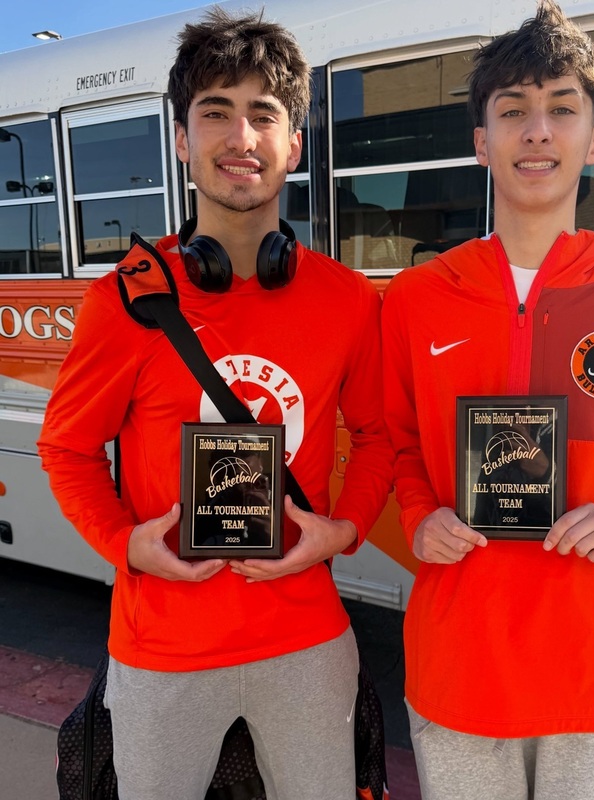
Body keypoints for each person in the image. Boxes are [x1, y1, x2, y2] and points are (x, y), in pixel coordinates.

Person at [38, 8, 393, 800]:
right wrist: (127, 545)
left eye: (264, 115)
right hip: (161, 648)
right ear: (181, 139)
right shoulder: (125, 300)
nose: (241, 138)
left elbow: (379, 438)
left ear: (293, 144)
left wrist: (341, 530)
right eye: (216, 113)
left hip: (307, 640)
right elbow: (67, 449)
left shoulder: (346, 301)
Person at [381, 2, 594, 798]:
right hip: (458, 666)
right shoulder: (415, 297)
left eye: (562, 109)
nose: (537, 131)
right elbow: (394, 439)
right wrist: (418, 512)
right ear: (482, 143)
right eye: (512, 111)